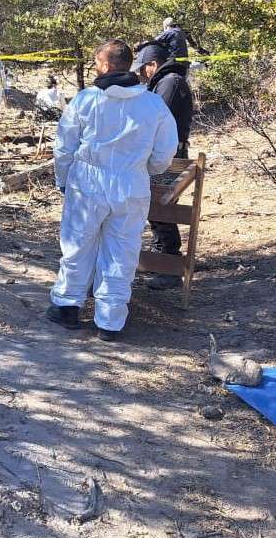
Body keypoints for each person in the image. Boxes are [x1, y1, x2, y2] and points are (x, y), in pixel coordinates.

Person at [46, 39, 179, 342]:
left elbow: (64, 148)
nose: (94, 67)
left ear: (105, 65)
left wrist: (64, 180)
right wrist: (144, 170)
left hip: (88, 182)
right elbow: (164, 153)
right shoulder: (153, 104)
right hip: (131, 185)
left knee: (78, 245)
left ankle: (67, 306)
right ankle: (109, 321)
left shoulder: (86, 100)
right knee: (122, 251)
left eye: (96, 62)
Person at [131, 41, 194, 290]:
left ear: (153, 65)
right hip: (166, 155)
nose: (141, 73)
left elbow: (156, 120)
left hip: (168, 157)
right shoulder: (167, 81)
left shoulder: (169, 83)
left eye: (143, 68)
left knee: (161, 208)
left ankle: (169, 266)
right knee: (157, 210)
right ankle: (162, 260)